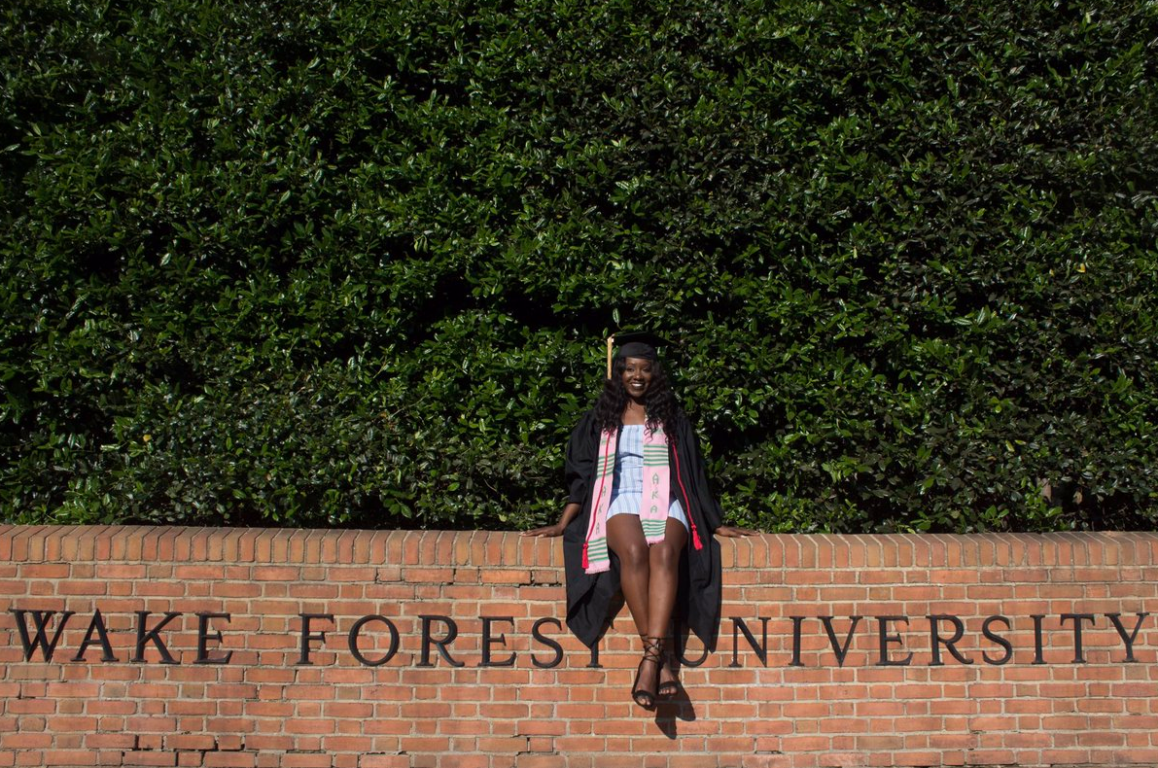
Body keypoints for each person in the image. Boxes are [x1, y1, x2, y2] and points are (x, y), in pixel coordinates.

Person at [524, 332, 750, 709]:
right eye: (630, 368)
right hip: (619, 496)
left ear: (655, 373)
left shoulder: (671, 416)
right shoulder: (601, 417)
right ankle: (660, 661)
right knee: (632, 551)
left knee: (664, 553)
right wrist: (565, 521)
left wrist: (712, 522)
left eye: (645, 369)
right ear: (619, 372)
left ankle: (650, 660)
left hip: (666, 497)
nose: (637, 376)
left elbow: (694, 473)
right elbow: (582, 474)